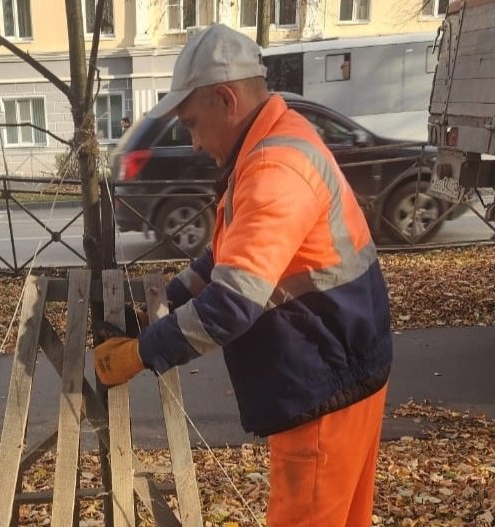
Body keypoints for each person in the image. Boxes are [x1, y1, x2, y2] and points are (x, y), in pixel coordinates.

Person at [93, 23, 392, 527]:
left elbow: (231, 304)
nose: (191, 142)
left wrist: (142, 353)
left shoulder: (275, 168)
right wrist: (156, 309)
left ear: (226, 99)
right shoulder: (272, 143)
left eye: (192, 123)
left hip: (324, 386)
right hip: (344, 368)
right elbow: (222, 259)